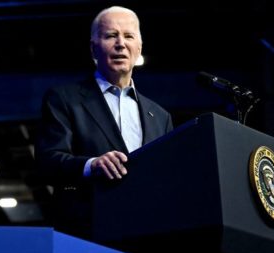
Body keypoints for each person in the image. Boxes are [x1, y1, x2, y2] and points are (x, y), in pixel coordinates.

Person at [35, 6, 173, 237]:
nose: (121, 43)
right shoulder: (64, 99)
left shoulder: (160, 116)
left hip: (149, 237)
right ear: (93, 48)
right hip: (88, 233)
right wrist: (91, 165)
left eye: (128, 36)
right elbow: (48, 161)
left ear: (139, 47)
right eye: (111, 35)